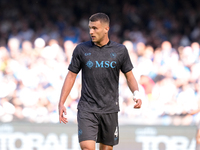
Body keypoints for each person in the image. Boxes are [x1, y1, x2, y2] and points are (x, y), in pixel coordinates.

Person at [58, 12, 142, 150]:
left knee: (107, 149)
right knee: (87, 148)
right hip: (87, 108)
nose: (91, 31)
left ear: (106, 29)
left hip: (110, 109)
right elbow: (71, 76)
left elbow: (130, 76)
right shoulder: (81, 49)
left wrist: (136, 94)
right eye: (90, 28)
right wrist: (61, 102)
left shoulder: (120, 50)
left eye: (95, 28)